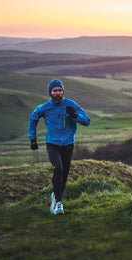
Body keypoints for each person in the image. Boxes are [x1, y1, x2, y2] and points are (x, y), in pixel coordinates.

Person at [28, 79, 90, 215]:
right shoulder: (44, 108)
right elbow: (33, 119)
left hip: (68, 144)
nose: (58, 93)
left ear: (63, 92)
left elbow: (87, 121)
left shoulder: (70, 104)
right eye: (55, 90)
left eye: (60, 90)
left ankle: (55, 196)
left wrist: (75, 116)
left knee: (64, 175)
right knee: (58, 168)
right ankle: (59, 203)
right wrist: (32, 139)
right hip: (52, 144)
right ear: (50, 93)